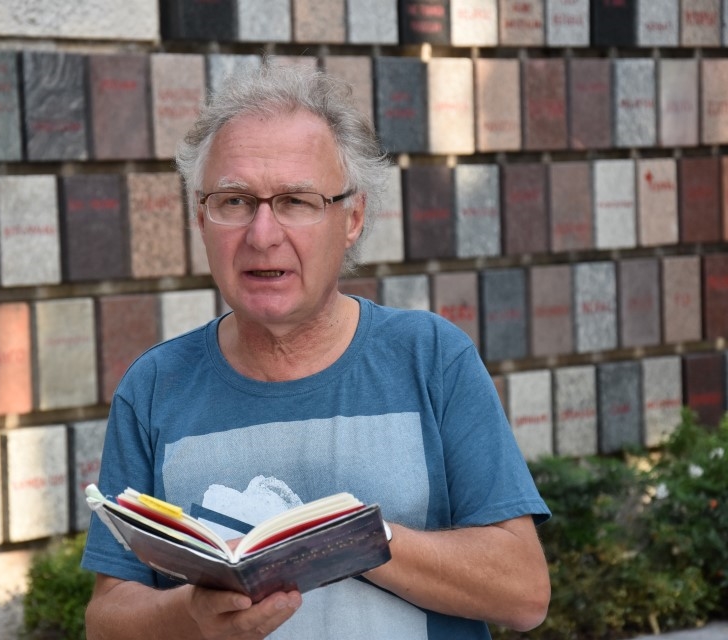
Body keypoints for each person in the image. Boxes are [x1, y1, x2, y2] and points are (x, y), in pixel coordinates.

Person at [81, 60, 551, 639]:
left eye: (296, 201)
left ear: (353, 218)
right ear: (199, 217)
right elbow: (106, 621)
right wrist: (192, 619)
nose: (262, 235)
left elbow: (523, 592)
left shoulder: (430, 358)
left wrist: (349, 538)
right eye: (234, 201)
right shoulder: (155, 386)